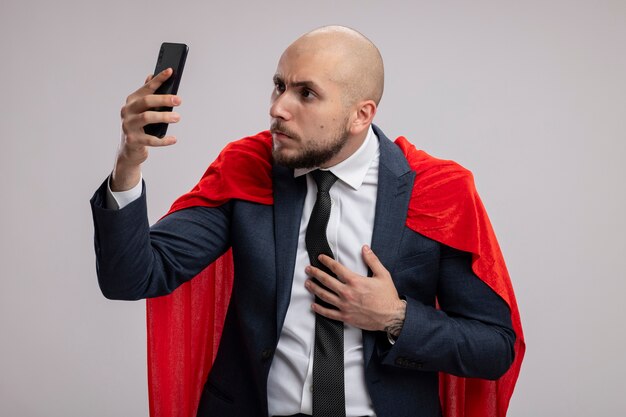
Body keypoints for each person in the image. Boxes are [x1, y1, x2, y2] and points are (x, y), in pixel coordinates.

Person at [91, 26, 524, 417]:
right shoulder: (246, 169)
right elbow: (131, 278)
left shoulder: (436, 190)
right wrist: (129, 161)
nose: (278, 108)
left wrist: (394, 317)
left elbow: (494, 347)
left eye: (306, 93)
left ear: (361, 114)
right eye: (278, 86)